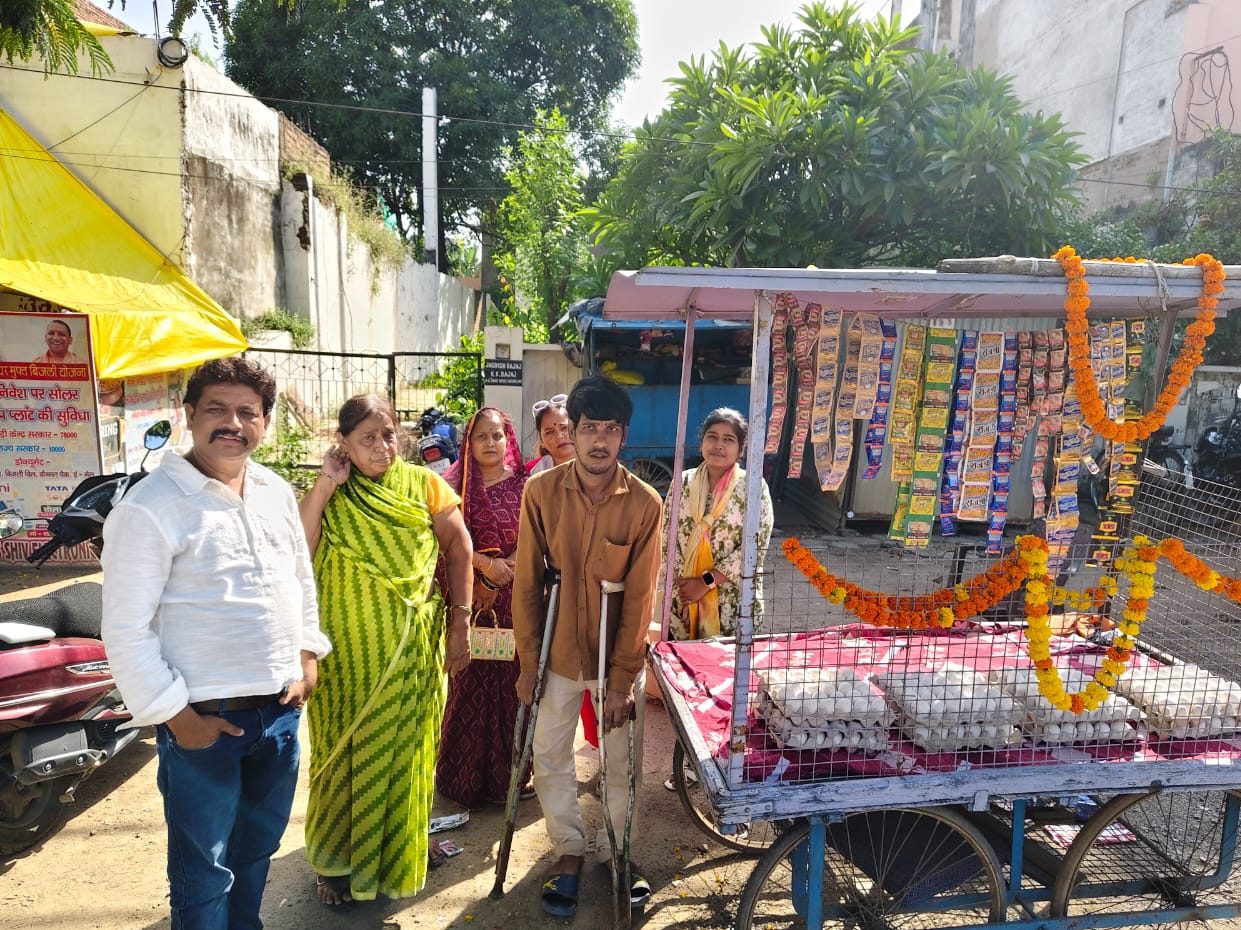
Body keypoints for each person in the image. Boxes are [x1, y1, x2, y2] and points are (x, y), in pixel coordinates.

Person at [100, 357, 330, 930]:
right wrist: (179, 719)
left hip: (279, 714)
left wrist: (307, 655)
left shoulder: (274, 490)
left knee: (256, 853)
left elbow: (299, 579)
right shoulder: (149, 507)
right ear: (188, 415)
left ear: (266, 421)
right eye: (217, 410)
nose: (233, 423)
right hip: (205, 722)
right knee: (204, 872)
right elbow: (125, 630)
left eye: (248, 412)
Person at [298, 393, 473, 906]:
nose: (382, 447)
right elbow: (300, 547)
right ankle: (334, 866)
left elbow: (459, 548)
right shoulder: (331, 492)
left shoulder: (425, 485)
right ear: (343, 444)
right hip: (346, 660)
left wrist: (460, 624)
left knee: (406, 756)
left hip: (411, 654)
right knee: (342, 755)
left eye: (389, 434)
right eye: (367, 439)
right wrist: (326, 483)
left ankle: (401, 855)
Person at [512, 374, 664, 919]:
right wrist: (528, 662)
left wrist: (622, 680)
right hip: (556, 654)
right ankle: (569, 849)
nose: (600, 440)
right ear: (569, 433)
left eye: (611, 429)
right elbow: (528, 583)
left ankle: (616, 850)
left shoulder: (644, 504)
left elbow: (640, 597)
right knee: (549, 754)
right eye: (589, 428)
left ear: (624, 435)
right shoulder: (540, 493)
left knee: (620, 761)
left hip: (614, 657)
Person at [436, 407, 530, 809]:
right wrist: (485, 570)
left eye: (497, 435)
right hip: (467, 600)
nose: (490, 443)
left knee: (512, 688)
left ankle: (508, 780)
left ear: (508, 439)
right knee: (466, 684)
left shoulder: (525, 487)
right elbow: (443, 541)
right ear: (468, 443)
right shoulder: (451, 486)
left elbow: (536, 540)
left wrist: (500, 576)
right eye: (481, 436)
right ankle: (461, 778)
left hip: (512, 601)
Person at [667, 408, 774, 640]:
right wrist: (685, 597)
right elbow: (667, 540)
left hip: (732, 603)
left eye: (728, 439)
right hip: (684, 601)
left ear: (740, 449)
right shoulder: (683, 482)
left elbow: (755, 548)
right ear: (702, 442)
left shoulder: (753, 487)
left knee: (727, 662)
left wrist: (705, 583)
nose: (718, 445)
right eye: (712, 437)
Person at [526, 392, 575, 474]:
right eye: (550, 432)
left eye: (564, 428)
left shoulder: (596, 463)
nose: (559, 436)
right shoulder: (534, 473)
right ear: (542, 442)